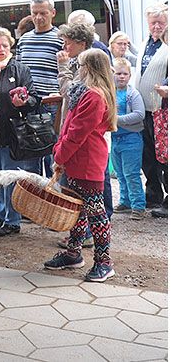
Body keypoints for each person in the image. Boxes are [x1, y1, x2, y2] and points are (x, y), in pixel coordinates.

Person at [43, 49, 117, 283]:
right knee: (78, 210)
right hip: (76, 160)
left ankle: (104, 262)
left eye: (81, 64)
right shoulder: (84, 92)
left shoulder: (94, 96)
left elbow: (77, 134)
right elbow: (69, 128)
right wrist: (62, 154)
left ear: (91, 68)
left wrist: (59, 156)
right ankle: (73, 253)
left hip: (86, 162)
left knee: (96, 213)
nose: (77, 67)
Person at [0, 27, 40, 237]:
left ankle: (12, 220)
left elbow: (34, 98)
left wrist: (22, 102)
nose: (3, 49)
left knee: (10, 176)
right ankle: (1, 214)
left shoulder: (19, 69)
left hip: (11, 131)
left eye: (6, 45)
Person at [15, 0, 62, 177]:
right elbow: (18, 70)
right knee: (30, 159)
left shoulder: (60, 39)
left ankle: (53, 200)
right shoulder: (25, 39)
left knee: (53, 158)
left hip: (51, 104)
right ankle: (33, 202)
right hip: (29, 105)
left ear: (53, 13)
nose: (38, 17)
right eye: (35, 13)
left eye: (43, 13)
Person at [133, 3, 168, 217]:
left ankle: (170, 199)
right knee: (146, 155)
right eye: (153, 22)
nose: (157, 26)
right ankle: (153, 193)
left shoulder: (170, 46)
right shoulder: (145, 43)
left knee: (164, 156)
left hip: (161, 111)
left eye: (161, 22)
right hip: (143, 110)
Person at [110, 57, 146, 220]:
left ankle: (138, 205)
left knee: (131, 174)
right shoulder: (111, 92)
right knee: (120, 173)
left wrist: (115, 118)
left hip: (131, 139)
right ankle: (125, 201)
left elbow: (139, 115)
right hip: (115, 140)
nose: (121, 76)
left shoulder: (133, 93)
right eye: (118, 73)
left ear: (130, 76)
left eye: (125, 73)